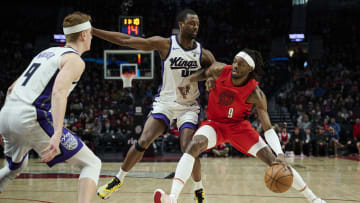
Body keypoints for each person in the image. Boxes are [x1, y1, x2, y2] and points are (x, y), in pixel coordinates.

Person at [154, 48, 325, 203]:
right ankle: (173, 198)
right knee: (193, 146)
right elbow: (204, 73)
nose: (235, 65)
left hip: (239, 128)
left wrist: (280, 153)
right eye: (235, 61)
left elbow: (267, 127)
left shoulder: (256, 93)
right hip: (215, 124)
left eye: (240, 64)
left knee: (275, 162)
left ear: (249, 69)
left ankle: (314, 199)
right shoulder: (220, 70)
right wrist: (190, 80)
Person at [93, 9, 216, 202]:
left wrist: (203, 79)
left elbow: (215, 71)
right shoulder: (165, 44)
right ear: (181, 24)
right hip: (165, 103)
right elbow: (126, 40)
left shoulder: (203, 53)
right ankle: (118, 179)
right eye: (192, 23)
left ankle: (198, 189)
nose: (195, 27)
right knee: (143, 140)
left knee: (188, 147)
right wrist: (93, 31)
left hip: (188, 106)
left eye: (198, 24)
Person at [0, 12, 101, 203]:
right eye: (90, 33)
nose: (92, 37)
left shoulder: (46, 53)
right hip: (30, 116)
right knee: (92, 164)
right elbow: (58, 92)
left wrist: (3, 124)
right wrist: (56, 132)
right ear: (83, 35)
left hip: (7, 113)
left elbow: (11, 88)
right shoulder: (75, 60)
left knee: (15, 167)